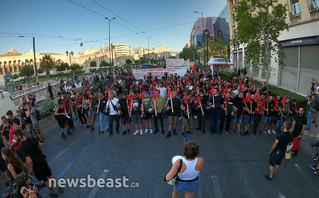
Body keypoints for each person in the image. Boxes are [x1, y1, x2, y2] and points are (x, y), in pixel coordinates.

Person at [13, 129, 63, 197]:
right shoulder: (31, 137)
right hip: (42, 160)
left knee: (45, 180)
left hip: (37, 166)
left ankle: (53, 193)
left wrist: (31, 169)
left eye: (15, 137)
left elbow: (29, 160)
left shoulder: (22, 147)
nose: (14, 139)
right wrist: (40, 154)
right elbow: (40, 145)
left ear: (19, 136)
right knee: (50, 174)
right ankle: (59, 186)